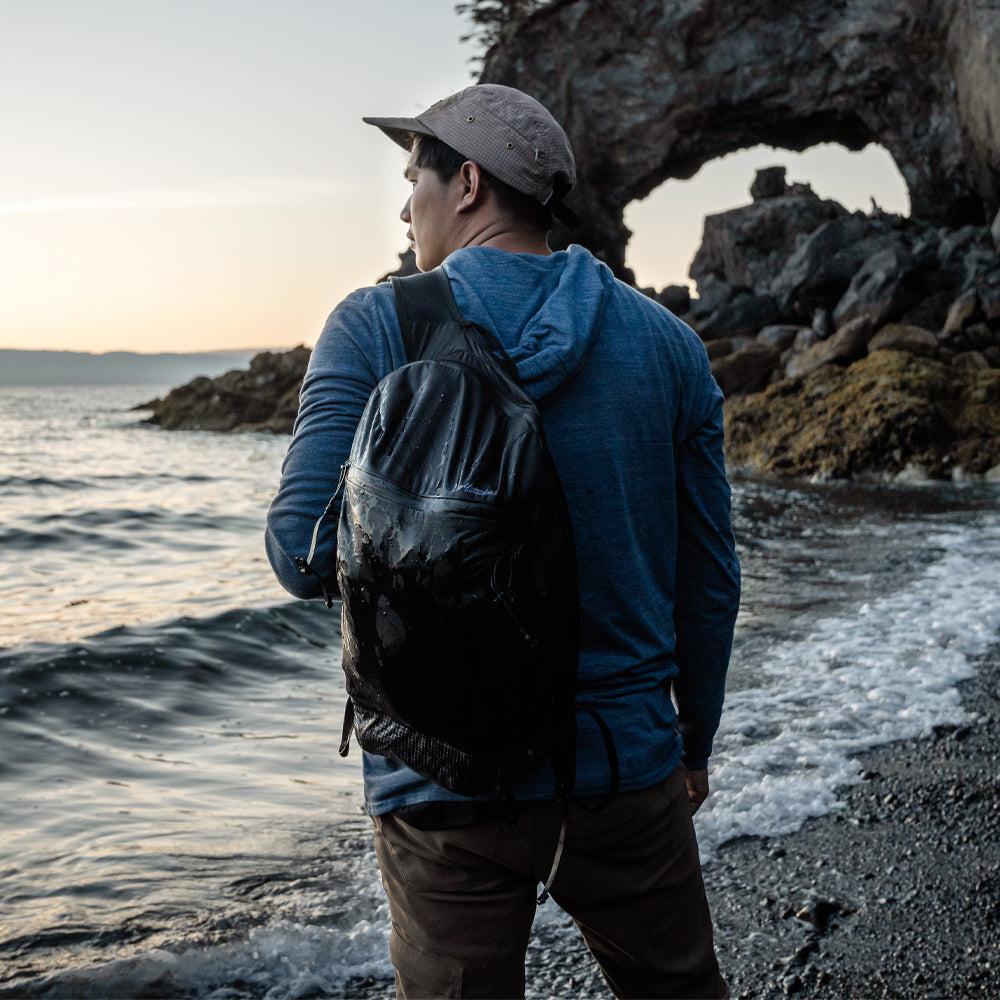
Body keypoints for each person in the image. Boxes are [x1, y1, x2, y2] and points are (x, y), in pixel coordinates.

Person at [266, 83, 740, 999]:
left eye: (415, 178)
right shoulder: (671, 346)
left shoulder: (373, 325)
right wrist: (691, 743)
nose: (407, 205)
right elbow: (709, 578)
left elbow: (299, 552)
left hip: (439, 779)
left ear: (469, 183)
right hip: (623, 763)